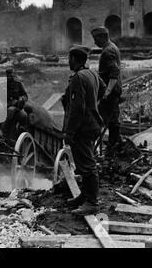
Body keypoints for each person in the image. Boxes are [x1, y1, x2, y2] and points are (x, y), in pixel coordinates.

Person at [63, 46, 106, 216]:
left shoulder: (78, 78)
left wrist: (69, 132)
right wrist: (93, 105)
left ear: (74, 59)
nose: (68, 62)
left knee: (87, 165)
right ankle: (85, 196)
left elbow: (77, 108)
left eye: (69, 58)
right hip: (93, 123)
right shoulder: (93, 73)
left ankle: (92, 203)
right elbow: (102, 90)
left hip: (83, 127)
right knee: (84, 162)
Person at [91, 26, 122, 158]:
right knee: (112, 119)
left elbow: (114, 72)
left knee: (111, 120)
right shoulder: (112, 47)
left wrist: (107, 92)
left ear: (103, 37)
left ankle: (114, 148)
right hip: (113, 91)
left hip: (110, 92)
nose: (94, 42)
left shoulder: (107, 51)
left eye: (96, 38)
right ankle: (115, 146)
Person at [0, 68, 28, 138]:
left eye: (11, 75)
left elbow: (25, 95)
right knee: (10, 110)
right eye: (8, 75)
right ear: (6, 76)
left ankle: (20, 133)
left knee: (24, 115)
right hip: (6, 106)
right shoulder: (2, 85)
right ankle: (3, 130)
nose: (10, 77)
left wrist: (22, 98)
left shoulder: (18, 84)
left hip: (17, 107)